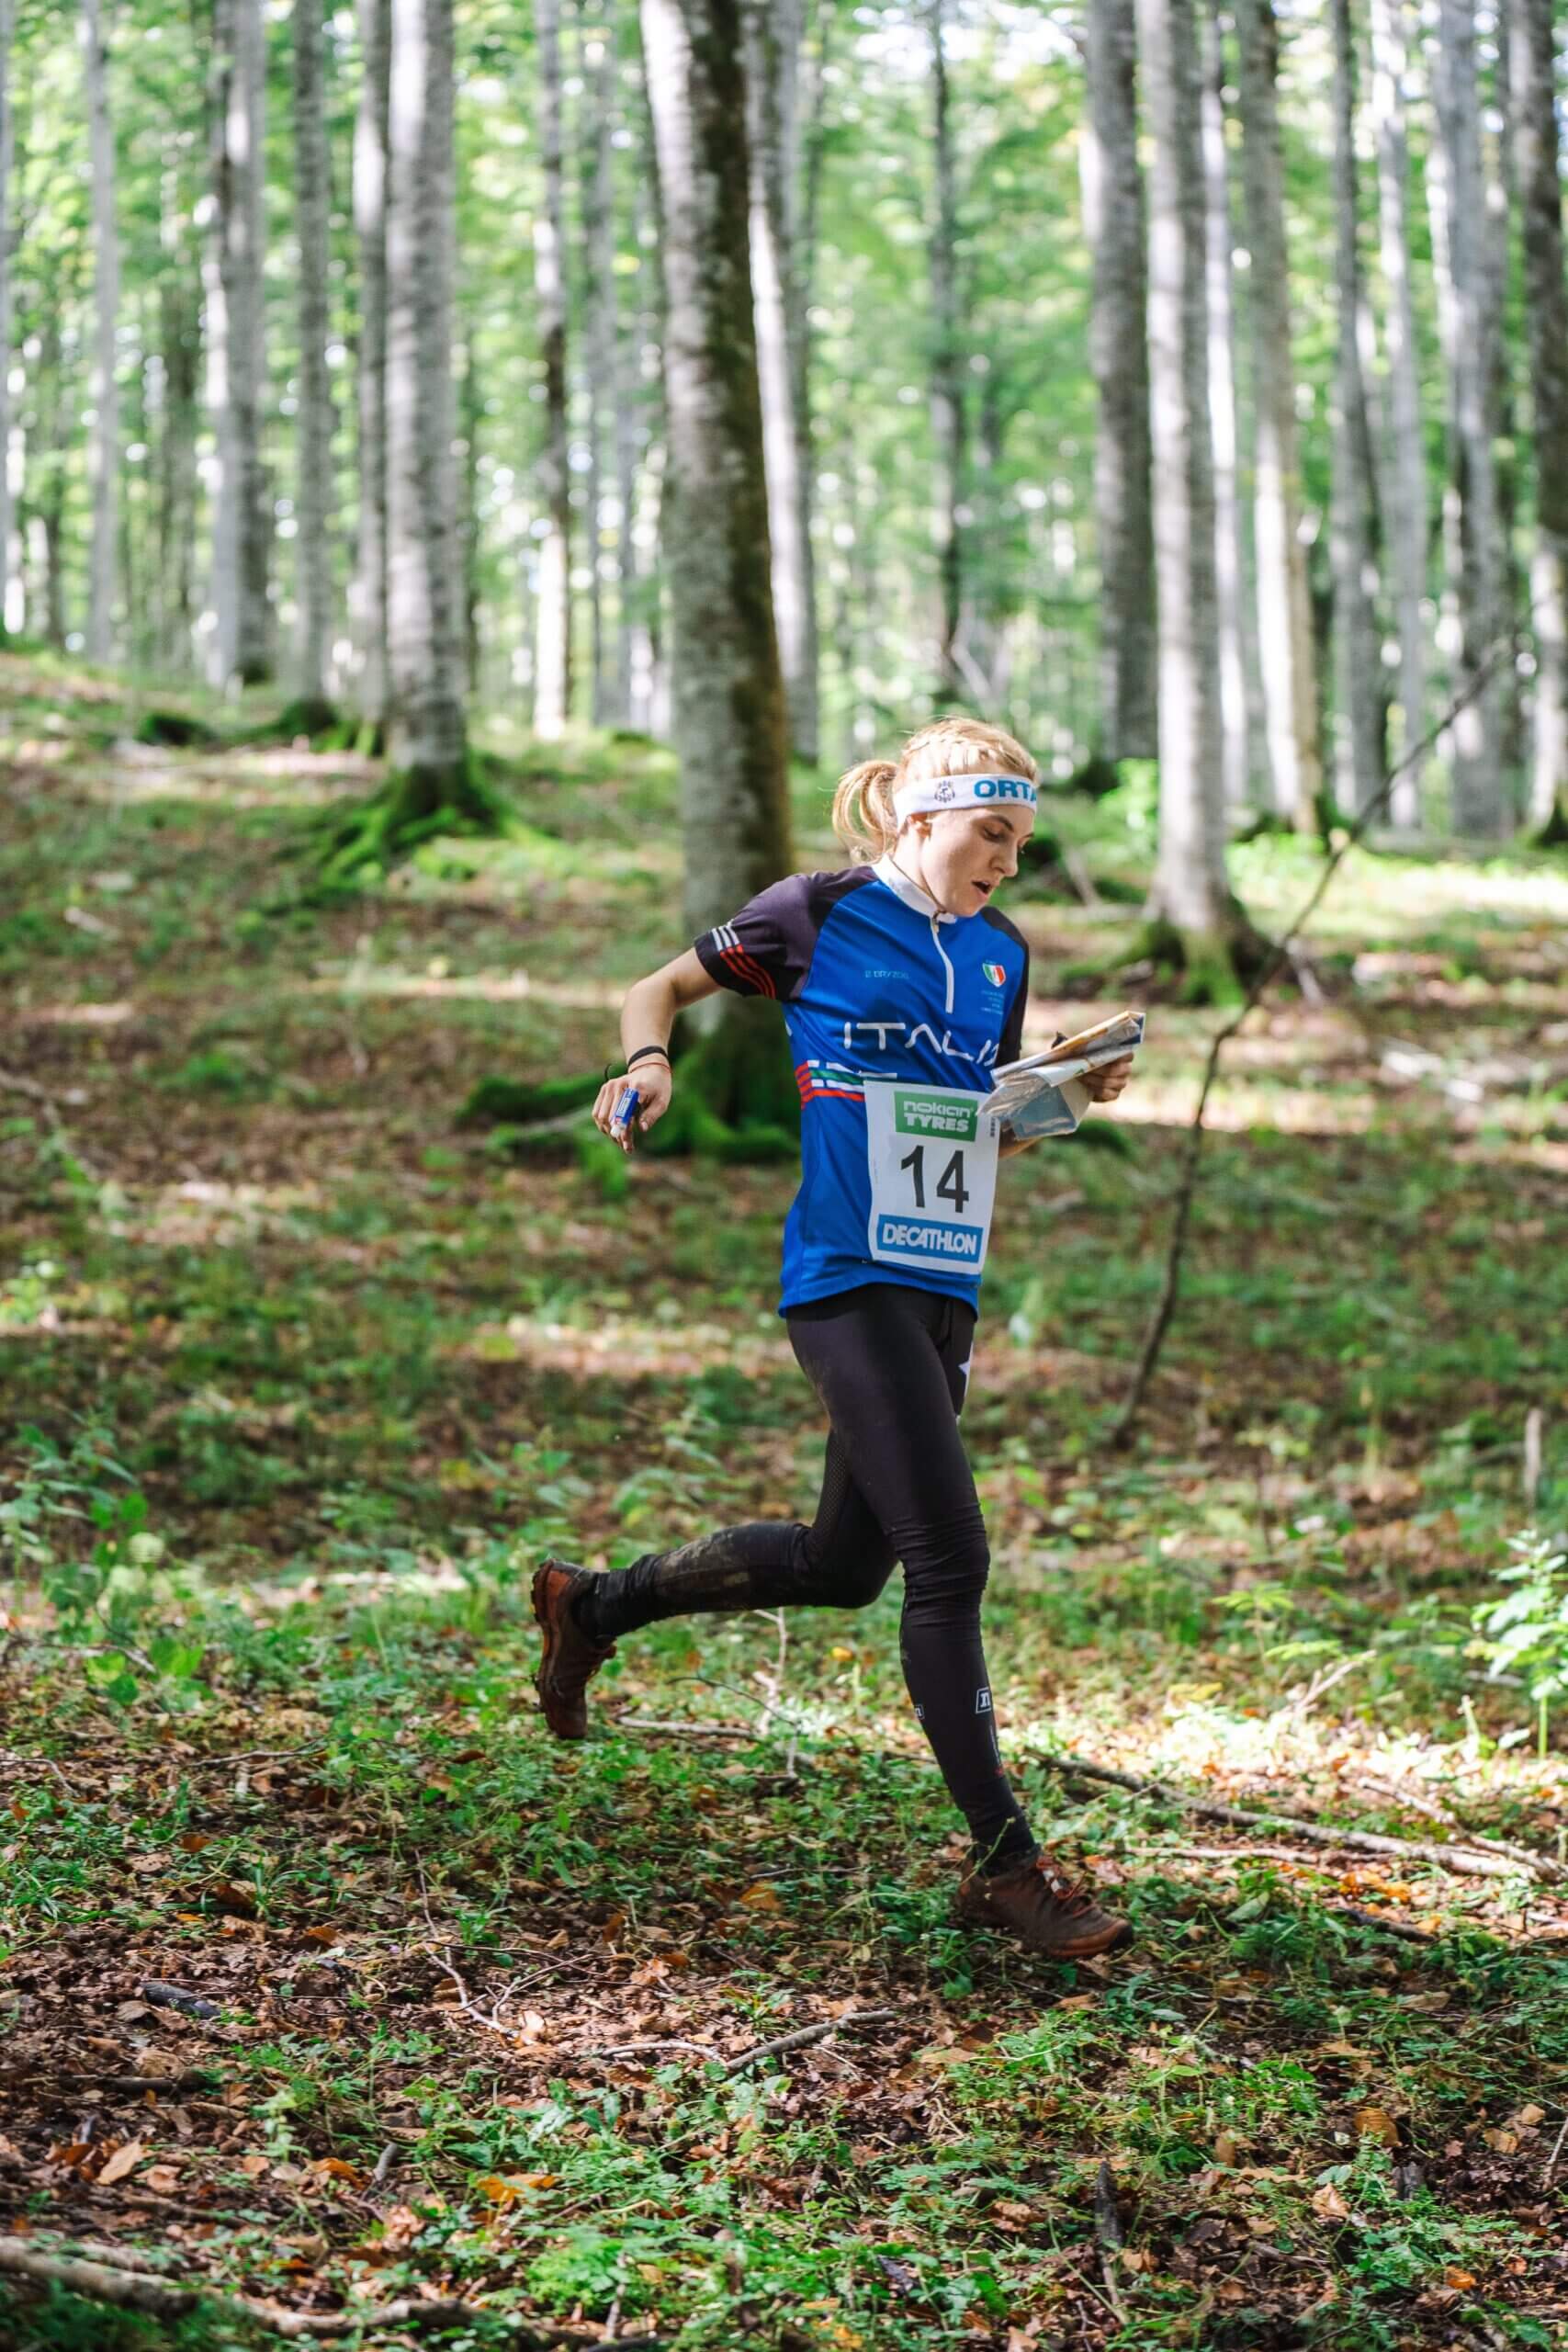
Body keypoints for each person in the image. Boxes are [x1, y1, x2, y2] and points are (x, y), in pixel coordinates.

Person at [532, 718, 1136, 1960]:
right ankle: (1005, 1864)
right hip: (844, 1281)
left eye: (1021, 842)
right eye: (990, 834)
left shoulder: (1001, 955)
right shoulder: (817, 913)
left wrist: (1059, 1096)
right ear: (921, 819)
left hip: (941, 1287)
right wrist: (651, 1061)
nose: (1006, 862)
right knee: (949, 1560)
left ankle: (589, 1606)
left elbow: (973, 1132)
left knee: (845, 1563)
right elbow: (660, 983)